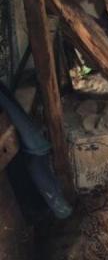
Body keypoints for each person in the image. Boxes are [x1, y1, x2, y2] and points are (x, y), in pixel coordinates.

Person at [0, 82, 72, 219]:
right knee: (32, 171)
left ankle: (54, 210)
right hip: (21, 140)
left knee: (31, 170)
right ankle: (51, 210)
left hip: (22, 141)